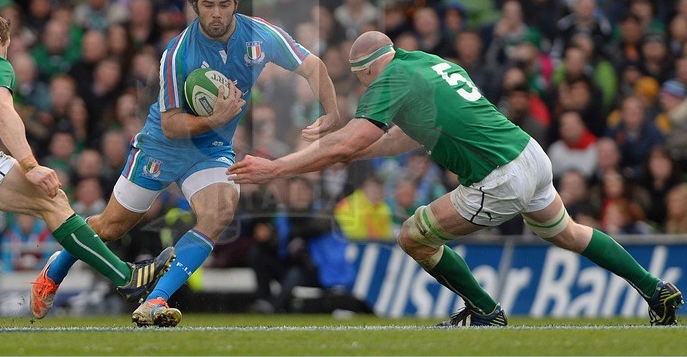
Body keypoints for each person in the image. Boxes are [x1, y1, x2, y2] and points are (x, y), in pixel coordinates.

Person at [229, 30, 683, 327]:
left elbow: (348, 140)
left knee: (413, 237)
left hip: (497, 177)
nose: (366, 89)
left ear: (368, 70)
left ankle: (486, 311)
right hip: (529, 154)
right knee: (568, 233)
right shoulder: (427, 63)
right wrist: (355, 152)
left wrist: (278, 166)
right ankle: (656, 290)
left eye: (362, 81)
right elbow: (405, 137)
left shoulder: (390, 80)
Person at [31, 0, 340, 327]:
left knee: (220, 213)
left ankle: (155, 299)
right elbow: (172, 124)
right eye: (208, 5)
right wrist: (216, 118)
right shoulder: (178, 55)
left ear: (236, 3)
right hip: (162, 146)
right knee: (112, 227)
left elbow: (312, 65)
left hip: (210, 150)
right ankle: (57, 266)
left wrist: (332, 113)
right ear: (195, 5)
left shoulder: (260, 35)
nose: (216, 13)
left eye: (224, 4)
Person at [0, 8, 174, 329]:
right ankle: (127, 278)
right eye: (7, 47)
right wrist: (30, 164)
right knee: (52, 201)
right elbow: (1, 109)